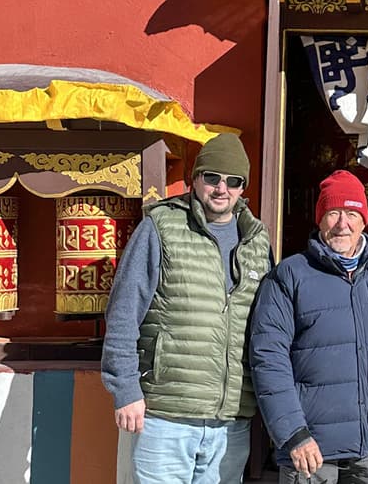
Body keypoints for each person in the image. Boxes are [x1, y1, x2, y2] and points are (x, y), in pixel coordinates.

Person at [101, 132, 274, 484]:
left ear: (243, 188)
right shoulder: (161, 227)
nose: (221, 188)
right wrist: (126, 390)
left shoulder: (258, 241)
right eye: (212, 178)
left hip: (230, 421)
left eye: (233, 181)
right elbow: (123, 312)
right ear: (195, 179)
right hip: (166, 416)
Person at [250, 170, 368, 484]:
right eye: (333, 213)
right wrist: (293, 433)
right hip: (310, 447)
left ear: (364, 219)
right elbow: (268, 358)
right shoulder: (290, 276)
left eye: (351, 213)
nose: (342, 224)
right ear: (320, 219)